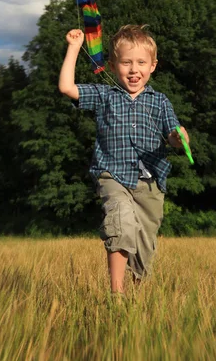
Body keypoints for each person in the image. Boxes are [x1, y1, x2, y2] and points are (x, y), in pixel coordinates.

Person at [58, 25, 190, 295]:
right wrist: (74, 48)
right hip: (113, 175)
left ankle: (137, 297)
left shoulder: (160, 102)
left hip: (151, 183)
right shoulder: (105, 96)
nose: (133, 69)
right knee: (120, 225)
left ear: (153, 66)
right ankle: (116, 296)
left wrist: (179, 139)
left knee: (144, 246)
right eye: (126, 62)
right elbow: (66, 87)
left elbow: (173, 135)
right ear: (112, 65)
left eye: (141, 62)